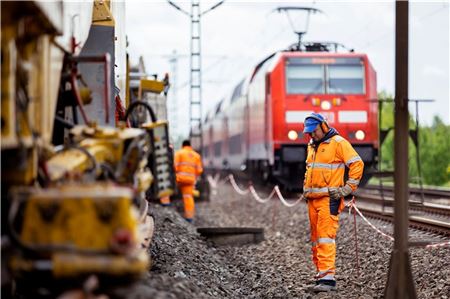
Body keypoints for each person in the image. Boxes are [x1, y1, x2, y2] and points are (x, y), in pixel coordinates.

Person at [302, 113, 364, 293]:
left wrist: (347, 188)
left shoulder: (338, 143)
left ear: (323, 126)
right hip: (313, 199)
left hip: (329, 199)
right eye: (309, 133)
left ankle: (328, 280)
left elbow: (357, 164)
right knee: (316, 239)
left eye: (313, 132)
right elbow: (310, 169)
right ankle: (321, 276)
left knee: (325, 237)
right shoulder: (312, 145)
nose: (311, 135)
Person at [174, 139, 203, 222]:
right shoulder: (196, 155)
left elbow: (174, 166)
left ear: (183, 146)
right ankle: (189, 217)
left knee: (177, 195)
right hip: (190, 180)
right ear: (190, 146)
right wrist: (194, 177)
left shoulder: (179, 153)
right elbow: (199, 170)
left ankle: (175, 209)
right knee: (188, 197)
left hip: (179, 179)